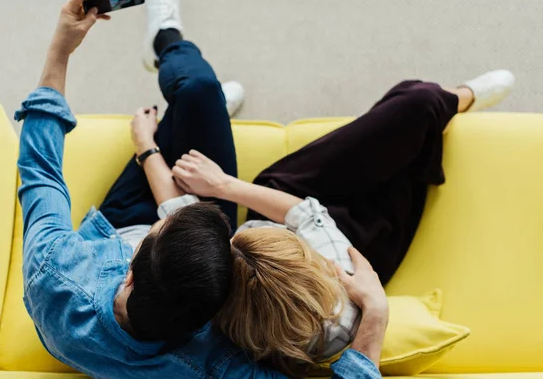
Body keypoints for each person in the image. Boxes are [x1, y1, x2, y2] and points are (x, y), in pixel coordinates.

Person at [16, 0, 389, 378]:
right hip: (176, 263)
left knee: (194, 102)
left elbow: (40, 167)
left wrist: (61, 47)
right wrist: (375, 320)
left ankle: (179, 77)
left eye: (164, 225)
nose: (170, 212)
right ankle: (183, 73)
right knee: (200, 96)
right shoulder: (219, 364)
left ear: (129, 269)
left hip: (118, 223)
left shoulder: (54, 270)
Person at [171, 69, 515, 375]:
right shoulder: (341, 289)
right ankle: (456, 98)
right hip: (360, 241)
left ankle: (206, 116)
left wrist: (217, 185)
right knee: (417, 106)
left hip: (294, 206)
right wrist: (225, 186)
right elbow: (307, 216)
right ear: (312, 265)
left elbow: (303, 217)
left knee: (408, 121)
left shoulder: (217, 316)